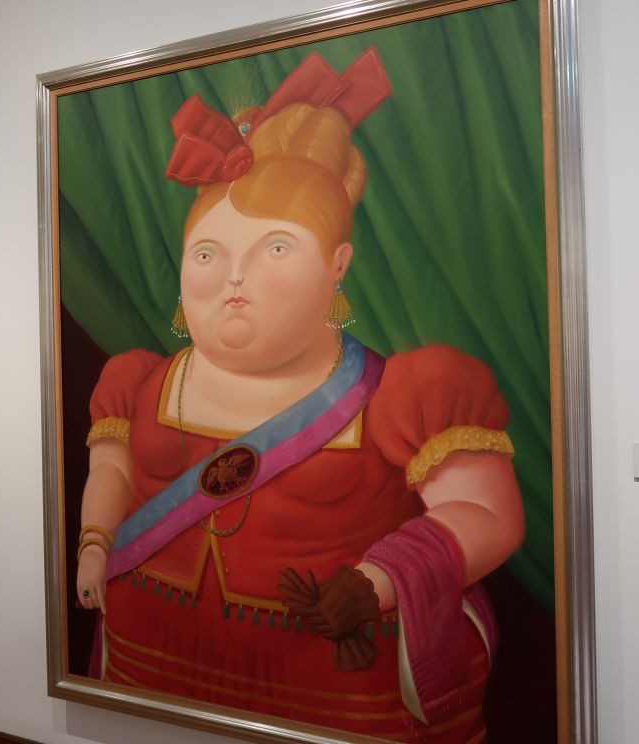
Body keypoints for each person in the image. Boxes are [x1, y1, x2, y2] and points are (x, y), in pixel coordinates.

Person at [73, 48, 526, 741]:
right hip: (150, 662)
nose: (234, 276)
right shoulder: (140, 381)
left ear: (337, 265)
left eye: (276, 248)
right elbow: (112, 467)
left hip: (329, 686)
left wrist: (377, 580)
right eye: (208, 253)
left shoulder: (408, 394)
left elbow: (486, 514)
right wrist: (95, 543)